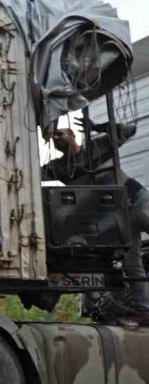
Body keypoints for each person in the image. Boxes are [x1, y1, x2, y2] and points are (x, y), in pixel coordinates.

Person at [43, 118, 149, 324]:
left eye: (61, 133)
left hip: (138, 201)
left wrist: (99, 127)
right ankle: (144, 310)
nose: (57, 138)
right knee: (132, 265)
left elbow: (130, 129)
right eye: (54, 136)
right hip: (120, 218)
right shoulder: (60, 168)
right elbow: (30, 171)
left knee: (133, 264)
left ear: (74, 135)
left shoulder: (98, 145)